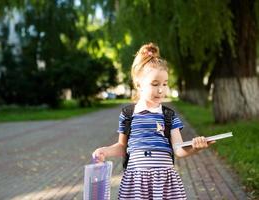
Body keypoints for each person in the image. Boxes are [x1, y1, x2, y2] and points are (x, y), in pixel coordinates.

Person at [92, 43, 215, 200]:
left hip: (164, 184)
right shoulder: (128, 115)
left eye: (165, 84)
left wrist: (195, 147)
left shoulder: (169, 116)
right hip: (135, 184)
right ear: (139, 84)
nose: (161, 90)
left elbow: (178, 150)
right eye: (155, 84)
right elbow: (123, 147)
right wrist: (105, 151)